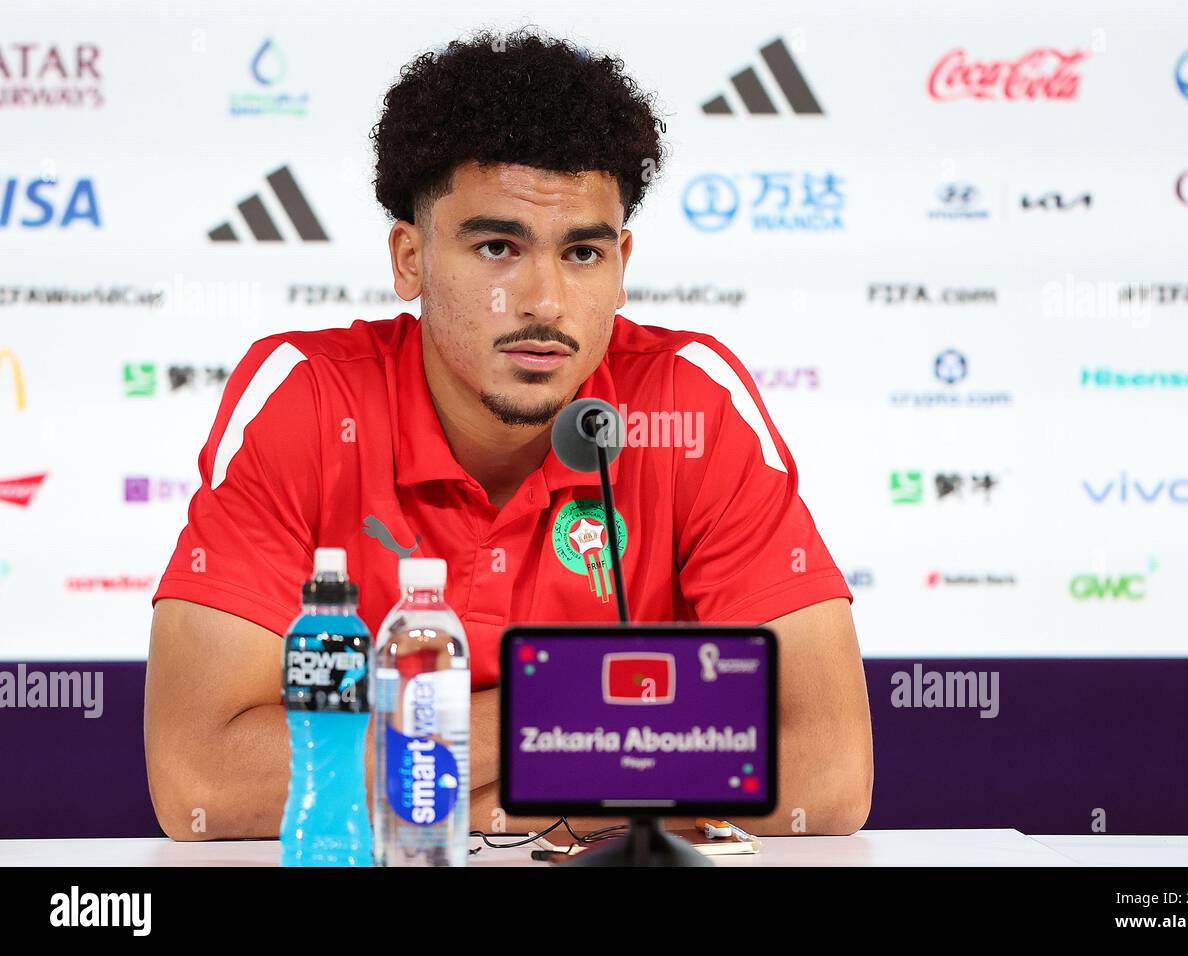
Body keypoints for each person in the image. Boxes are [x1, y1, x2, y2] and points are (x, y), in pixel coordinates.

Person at [144, 27, 872, 843]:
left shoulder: (691, 406)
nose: (545, 302)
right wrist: (557, 715)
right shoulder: (305, 401)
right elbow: (201, 779)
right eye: (498, 247)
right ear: (410, 258)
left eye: (584, 252)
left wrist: (455, 792)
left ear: (623, 262)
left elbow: (829, 771)